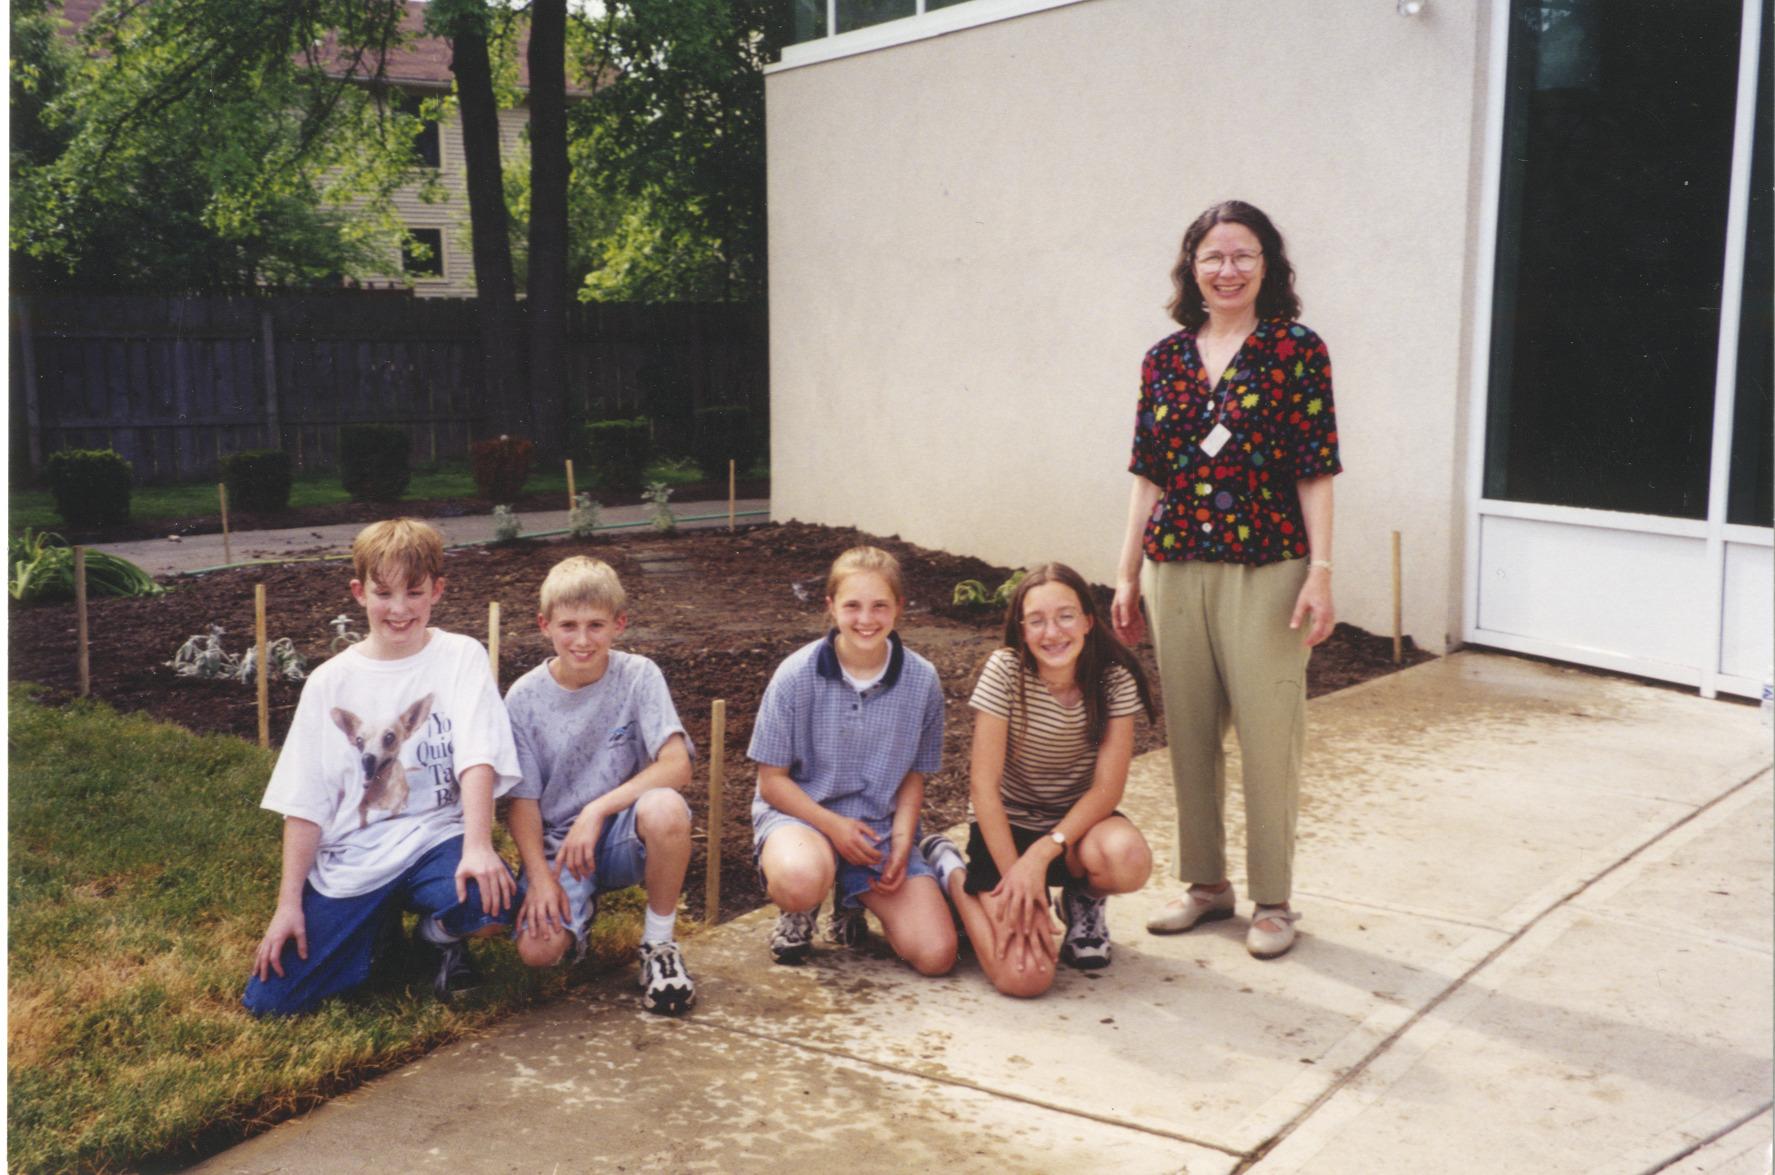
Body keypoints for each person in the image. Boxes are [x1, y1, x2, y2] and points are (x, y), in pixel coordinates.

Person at [1111, 199, 1341, 960]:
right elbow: (1147, 474)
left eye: (1242, 255)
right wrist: (1126, 571)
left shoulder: (1296, 351)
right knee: (1190, 733)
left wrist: (1320, 572)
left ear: (1267, 265)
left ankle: (1273, 901)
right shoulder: (1164, 359)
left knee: (1269, 734)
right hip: (1175, 567)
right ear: (1192, 268)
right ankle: (1206, 887)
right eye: (1213, 256)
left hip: (1266, 567)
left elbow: (1316, 471)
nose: (1227, 269)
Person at [244, 519, 519, 1016]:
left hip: (436, 838)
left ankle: (436, 936)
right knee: (272, 1001)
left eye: (414, 592)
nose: (398, 609)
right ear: (358, 592)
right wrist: (288, 905)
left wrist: (479, 846)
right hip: (356, 857)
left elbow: (478, 755)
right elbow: (306, 802)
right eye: (383, 592)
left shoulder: (461, 656)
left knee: (496, 900)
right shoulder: (330, 683)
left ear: (437, 590)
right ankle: (383, 937)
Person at [921, 563, 1157, 997]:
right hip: (1005, 827)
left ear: (1088, 620)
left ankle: (1082, 901)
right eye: (1037, 620)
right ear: (1021, 628)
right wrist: (1018, 877)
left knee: (1126, 858)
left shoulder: (1112, 679)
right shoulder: (1005, 671)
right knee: (1024, 978)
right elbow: (983, 787)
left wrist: (1041, 858)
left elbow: (1107, 789)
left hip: (1074, 829)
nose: (1052, 632)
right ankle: (950, 870)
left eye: (1065, 615)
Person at [748, 545, 956, 976]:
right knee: (801, 877)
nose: (866, 619)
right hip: (803, 819)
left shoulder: (922, 680)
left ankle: (852, 900)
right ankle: (802, 908)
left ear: (899, 607)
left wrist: (901, 842)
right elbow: (772, 782)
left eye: (880, 605)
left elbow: (915, 773)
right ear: (831, 607)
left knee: (936, 955)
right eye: (853, 605)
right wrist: (832, 827)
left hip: (875, 830)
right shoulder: (795, 674)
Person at [503, 556, 697, 1015]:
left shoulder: (639, 675)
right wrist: (539, 879)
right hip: (559, 843)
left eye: (596, 625)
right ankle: (577, 913)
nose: (583, 640)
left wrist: (597, 811)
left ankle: (658, 946)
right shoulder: (523, 699)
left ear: (619, 625)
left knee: (666, 807)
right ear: (544, 625)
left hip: (620, 832)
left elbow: (677, 765)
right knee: (539, 952)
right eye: (568, 625)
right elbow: (522, 802)